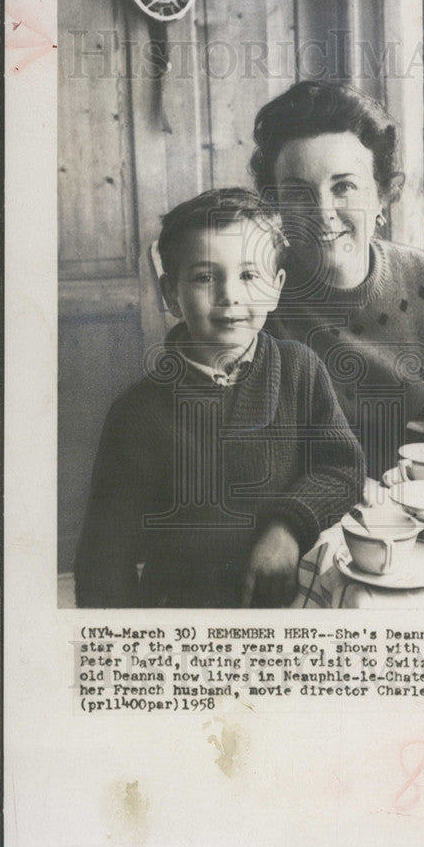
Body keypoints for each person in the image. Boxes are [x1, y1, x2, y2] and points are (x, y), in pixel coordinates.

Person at [74, 188, 364, 608]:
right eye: (205, 277)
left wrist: (287, 528)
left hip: (290, 601)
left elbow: (343, 468)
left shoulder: (300, 369)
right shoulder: (136, 414)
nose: (230, 295)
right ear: (171, 295)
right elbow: (103, 562)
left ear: (276, 287)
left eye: (249, 275)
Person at [252, 80, 424, 480]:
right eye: (299, 193)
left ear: (381, 195)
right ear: (277, 205)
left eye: (344, 187)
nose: (323, 212)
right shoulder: (256, 293)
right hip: (292, 508)